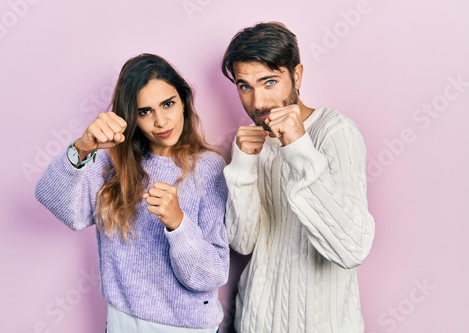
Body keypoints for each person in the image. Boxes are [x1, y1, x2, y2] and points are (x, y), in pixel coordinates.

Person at [35, 53, 229, 333]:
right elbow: (60, 205)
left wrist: (178, 223)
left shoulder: (207, 168)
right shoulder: (110, 161)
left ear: (184, 102)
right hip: (122, 321)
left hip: (187, 327)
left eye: (168, 104)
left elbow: (212, 273)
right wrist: (82, 148)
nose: (161, 121)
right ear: (131, 116)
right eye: (145, 111)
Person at [220, 22, 375, 333]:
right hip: (253, 323)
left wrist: (298, 147)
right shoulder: (250, 144)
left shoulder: (335, 132)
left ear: (297, 75)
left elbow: (352, 248)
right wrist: (242, 167)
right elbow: (243, 242)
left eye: (269, 82)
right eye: (244, 86)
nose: (257, 102)